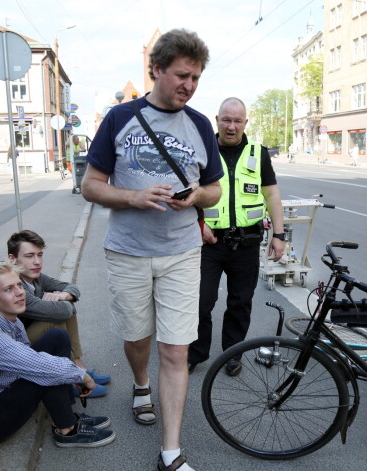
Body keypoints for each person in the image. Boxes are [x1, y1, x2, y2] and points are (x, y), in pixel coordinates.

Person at [82, 28, 223, 471]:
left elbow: (216, 189)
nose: (189, 85)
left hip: (182, 250)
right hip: (128, 250)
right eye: (182, 75)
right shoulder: (119, 118)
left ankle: (171, 452)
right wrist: (133, 197)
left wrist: (196, 196)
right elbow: (90, 186)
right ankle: (140, 384)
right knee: (137, 338)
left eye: (196, 78)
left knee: (176, 349)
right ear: (157, 69)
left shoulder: (200, 124)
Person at [0, 261, 116, 448]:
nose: (20, 292)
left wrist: (68, 372)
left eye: (19, 285)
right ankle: (68, 430)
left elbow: (30, 359)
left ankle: (65, 414)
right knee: (46, 368)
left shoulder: (9, 318)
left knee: (57, 337)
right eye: (8, 289)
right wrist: (81, 375)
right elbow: (39, 364)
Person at [188, 97, 285, 376]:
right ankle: (196, 353)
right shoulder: (203, 151)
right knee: (201, 301)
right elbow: (189, 190)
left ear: (245, 122)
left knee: (240, 303)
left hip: (247, 242)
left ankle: (233, 353)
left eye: (237, 121)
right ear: (217, 120)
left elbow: (272, 194)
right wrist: (199, 222)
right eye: (226, 120)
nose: (231, 126)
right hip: (209, 242)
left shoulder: (258, 152)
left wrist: (278, 234)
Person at [7, 230, 110, 397]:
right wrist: (63, 301)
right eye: (29, 256)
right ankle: (73, 379)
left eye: (40, 255)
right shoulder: (15, 285)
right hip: (15, 350)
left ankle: (77, 366)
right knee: (58, 316)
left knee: (64, 306)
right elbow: (65, 310)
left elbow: (72, 287)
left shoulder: (35, 277)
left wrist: (63, 295)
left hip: (28, 336)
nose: (37, 261)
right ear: (12, 259)